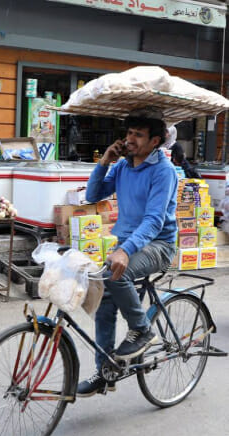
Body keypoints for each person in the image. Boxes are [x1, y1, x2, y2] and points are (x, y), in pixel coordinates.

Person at [77, 107, 178, 397]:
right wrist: (104, 162)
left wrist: (126, 250)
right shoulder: (123, 165)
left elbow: (154, 220)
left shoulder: (163, 171)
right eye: (129, 133)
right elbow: (94, 195)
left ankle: (142, 329)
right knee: (104, 305)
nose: (130, 139)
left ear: (155, 141)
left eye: (138, 135)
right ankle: (105, 370)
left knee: (113, 273)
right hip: (127, 244)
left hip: (157, 245)